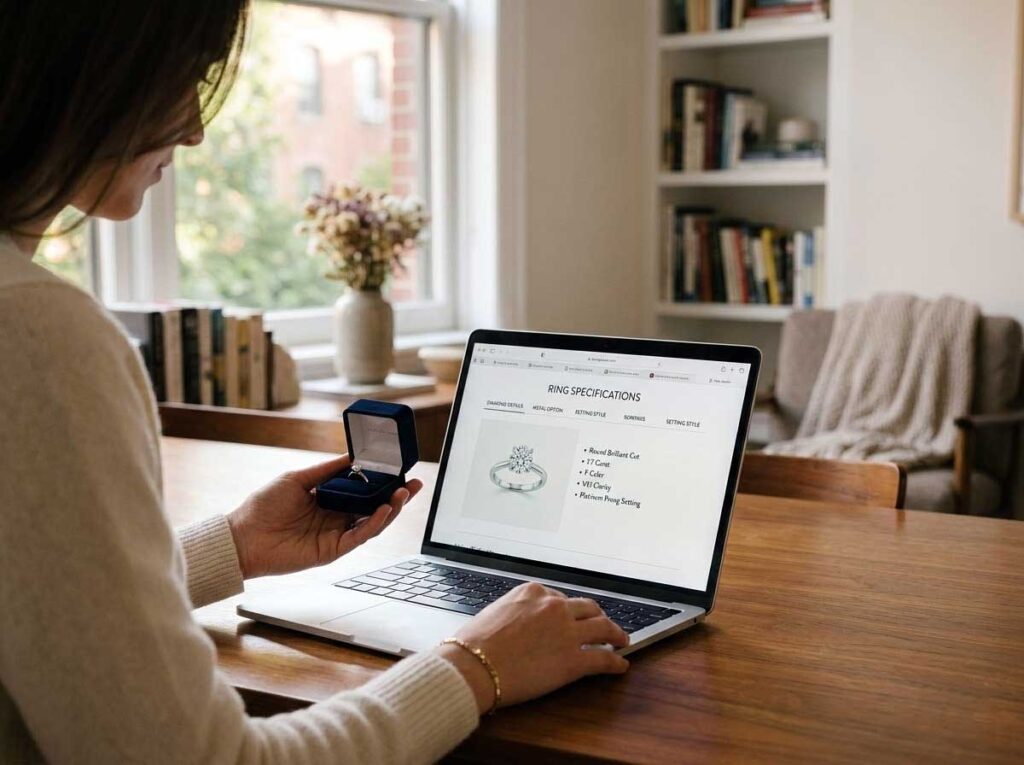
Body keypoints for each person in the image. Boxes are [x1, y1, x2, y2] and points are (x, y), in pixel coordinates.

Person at [0, 2, 630, 762]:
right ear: (91, 63)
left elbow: (39, 597)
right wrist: (478, 664)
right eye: (186, 74)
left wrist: (232, 546)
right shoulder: (35, 334)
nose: (195, 126)